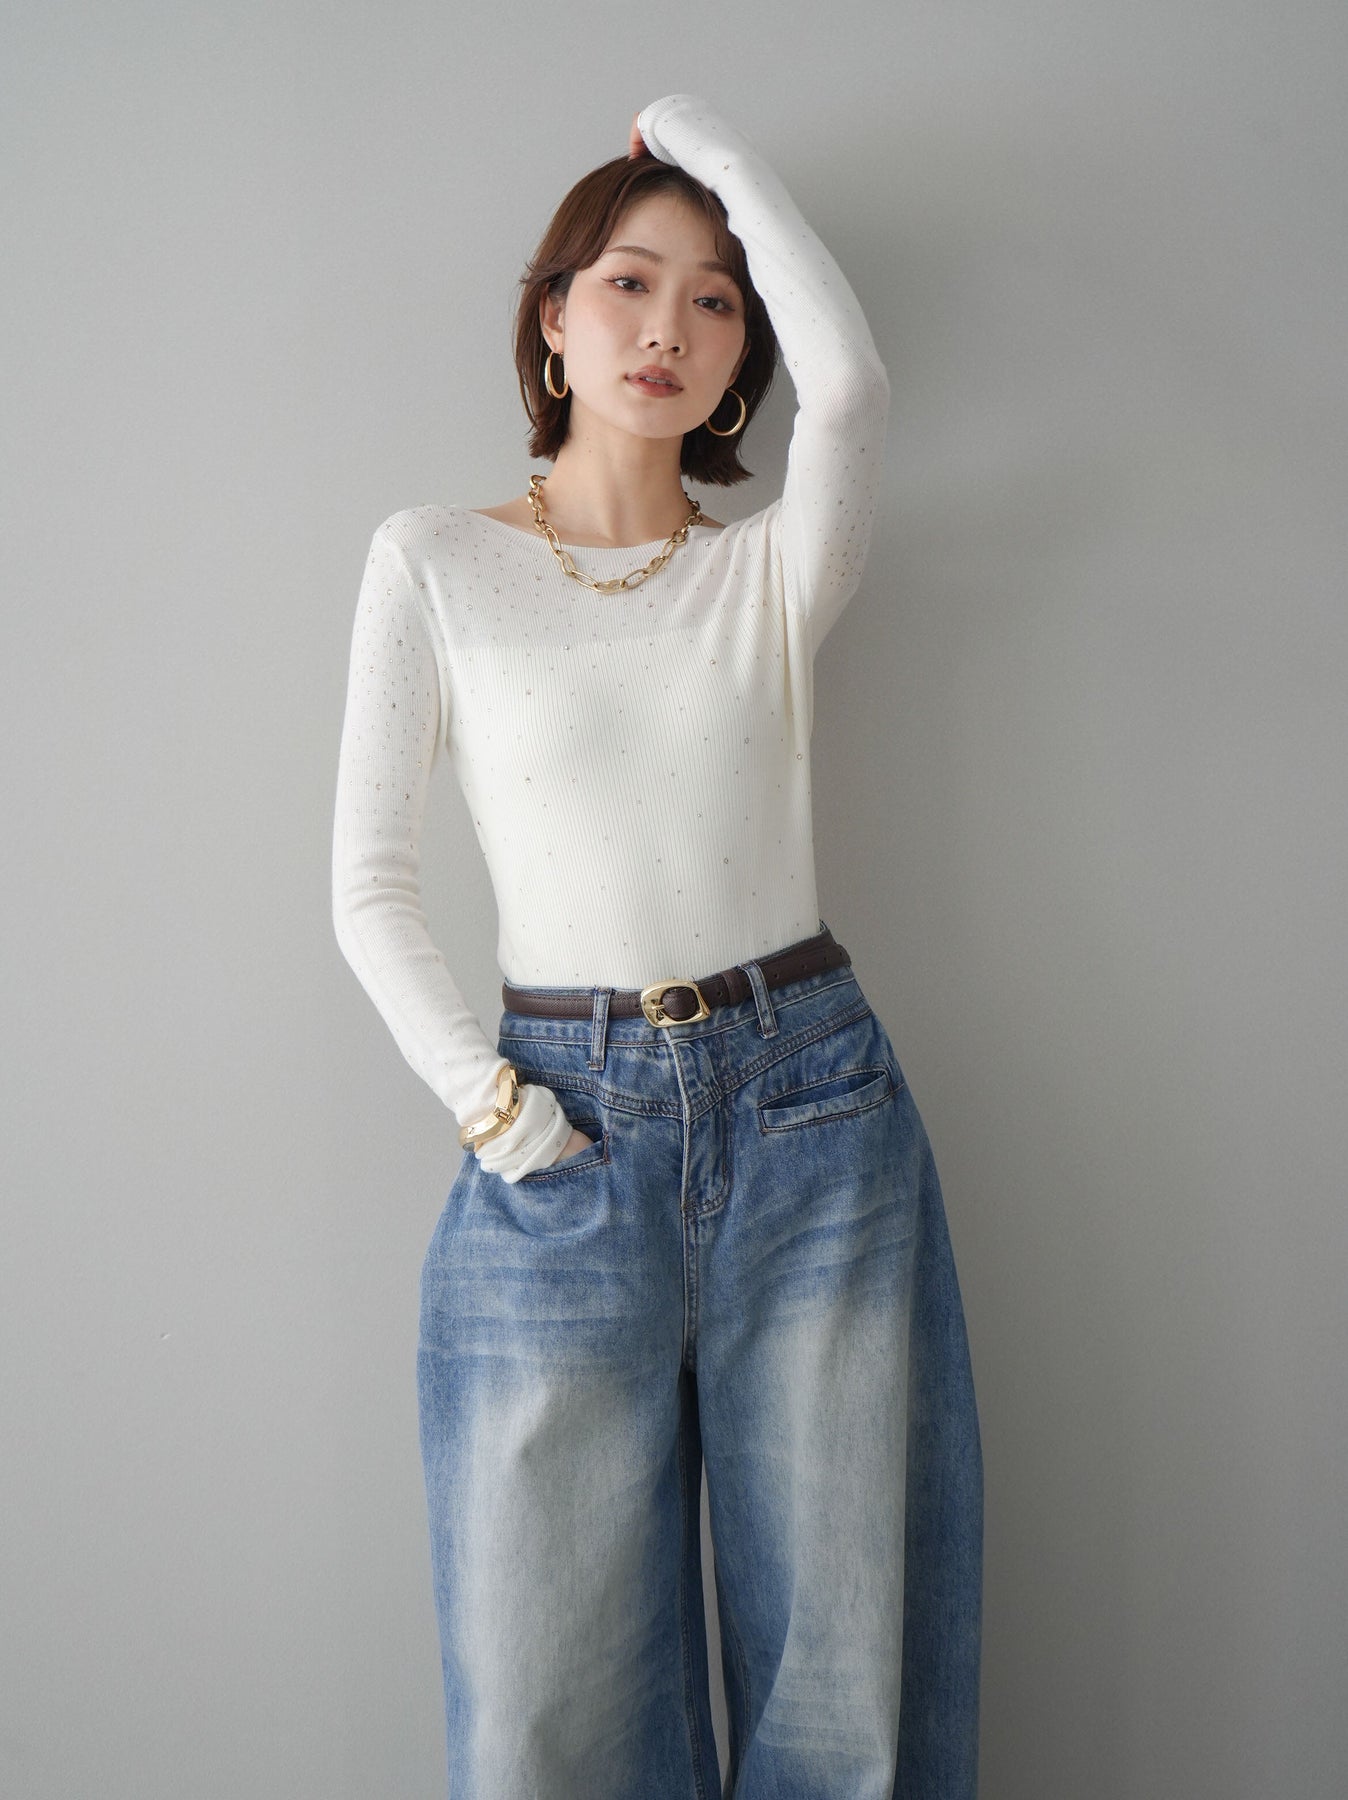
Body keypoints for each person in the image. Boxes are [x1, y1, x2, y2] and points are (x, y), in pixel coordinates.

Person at [332, 92, 982, 1800]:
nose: (669, 328)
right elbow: (368, 885)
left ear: (741, 353)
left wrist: (707, 146)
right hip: (558, 1123)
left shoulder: (769, 575)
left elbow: (857, 390)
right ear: (553, 319)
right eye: (628, 281)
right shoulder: (436, 562)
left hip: (812, 1112)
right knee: (546, 1712)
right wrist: (493, 1108)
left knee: (843, 1697)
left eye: (714, 299)